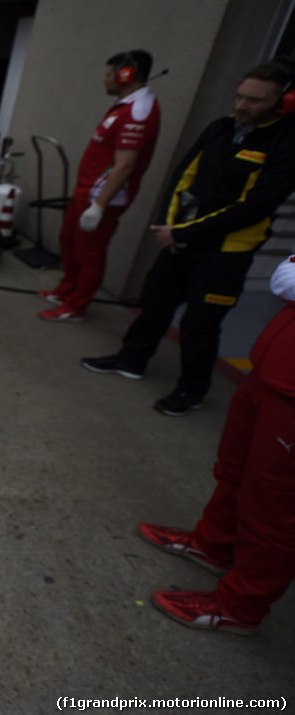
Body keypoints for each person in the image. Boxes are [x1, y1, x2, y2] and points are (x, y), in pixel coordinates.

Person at [82, 61, 295, 416]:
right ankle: (131, 359)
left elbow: (253, 207)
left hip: (226, 252)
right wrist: (169, 229)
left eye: (254, 101)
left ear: (282, 102)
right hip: (178, 241)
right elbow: (182, 178)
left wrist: (182, 232)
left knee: (201, 324)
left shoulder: (285, 144)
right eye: (240, 96)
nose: (242, 105)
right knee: (155, 302)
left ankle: (192, 390)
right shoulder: (221, 128)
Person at [137, 251, 295, 635]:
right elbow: (285, 274)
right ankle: (215, 544)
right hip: (272, 371)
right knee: (234, 470)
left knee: (274, 509)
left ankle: (240, 606)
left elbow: (286, 280)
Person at [40, 50, 161, 322]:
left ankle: (76, 306)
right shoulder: (125, 105)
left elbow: (125, 165)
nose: (104, 80)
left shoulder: (138, 111)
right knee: (68, 241)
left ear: (125, 75)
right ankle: (66, 290)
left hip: (101, 198)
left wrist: (99, 206)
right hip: (87, 191)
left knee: (89, 253)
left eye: (109, 74)